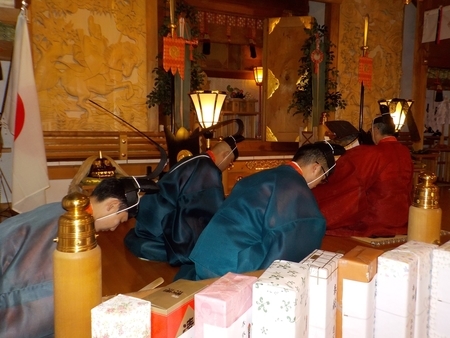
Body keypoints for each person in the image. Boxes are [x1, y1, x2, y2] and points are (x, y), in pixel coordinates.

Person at [0, 176, 157, 338]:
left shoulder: (58, 209)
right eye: (119, 220)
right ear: (111, 205)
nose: (113, 228)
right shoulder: (72, 229)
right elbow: (42, 295)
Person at [175, 141, 345, 281]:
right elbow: (302, 230)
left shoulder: (261, 176)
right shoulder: (294, 187)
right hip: (231, 268)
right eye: (322, 179)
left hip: (204, 256)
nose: (316, 185)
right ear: (315, 168)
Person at [124, 135, 244, 266]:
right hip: (160, 227)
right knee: (211, 248)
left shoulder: (196, 159)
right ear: (226, 154)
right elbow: (205, 210)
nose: (228, 166)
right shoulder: (207, 169)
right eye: (230, 162)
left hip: (148, 219)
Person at [312, 112, 414, 237]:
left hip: (377, 218)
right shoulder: (405, 151)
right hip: (403, 216)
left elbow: (348, 180)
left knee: (335, 194)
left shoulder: (373, 153)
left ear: (376, 129)